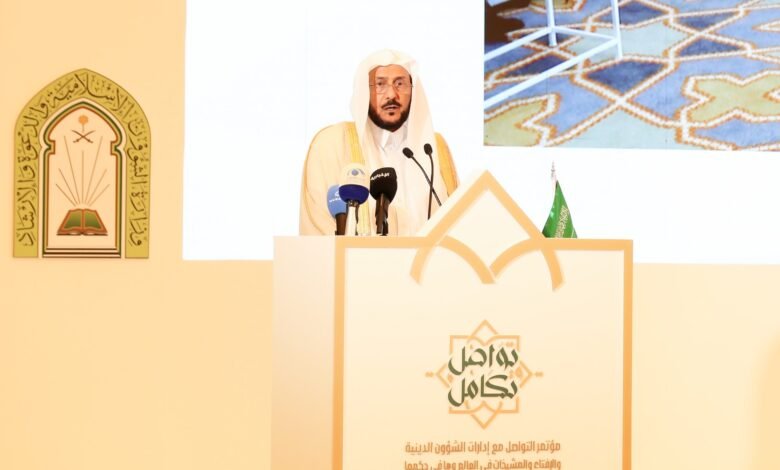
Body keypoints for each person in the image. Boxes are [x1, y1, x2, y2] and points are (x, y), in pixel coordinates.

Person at [299, 49, 459, 236]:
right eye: (380, 84)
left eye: (400, 83)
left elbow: (458, 223)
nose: (391, 94)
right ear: (364, 91)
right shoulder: (331, 144)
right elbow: (319, 227)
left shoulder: (433, 150)